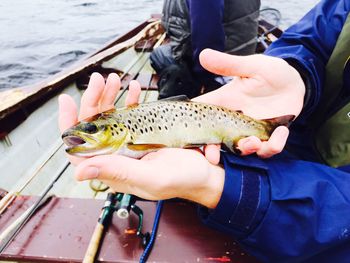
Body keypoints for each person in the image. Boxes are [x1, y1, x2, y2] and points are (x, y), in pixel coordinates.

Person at [58, 0, 350, 261]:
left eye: (95, 130)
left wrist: (221, 188)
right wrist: (298, 75)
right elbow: (313, 41)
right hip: (287, 146)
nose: (86, 135)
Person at [150, 0, 260, 99]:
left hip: (217, 66)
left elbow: (207, 37)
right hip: (243, 52)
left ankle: (200, 89)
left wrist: (202, 77)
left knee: (158, 55)